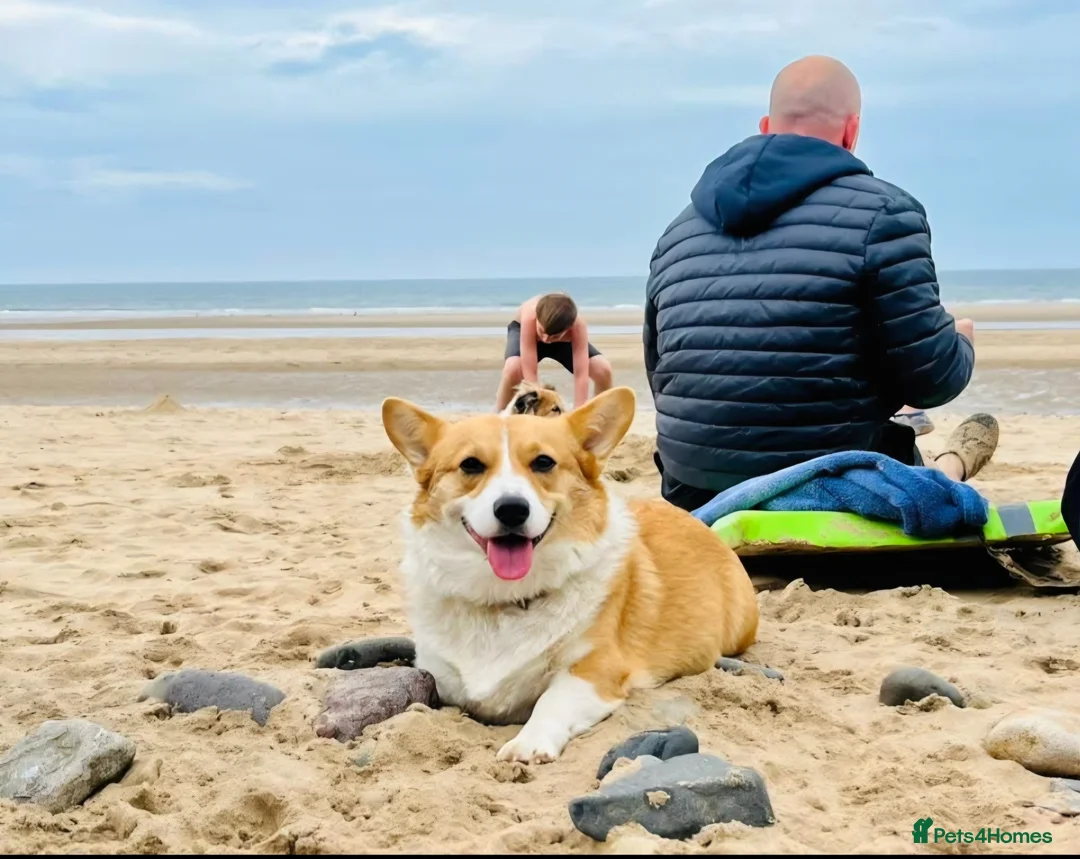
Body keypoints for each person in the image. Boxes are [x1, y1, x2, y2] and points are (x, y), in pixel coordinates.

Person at [643, 55, 998, 511]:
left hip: (694, 488)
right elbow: (931, 382)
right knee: (921, 480)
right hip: (831, 483)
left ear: (767, 125)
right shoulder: (885, 213)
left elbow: (661, 373)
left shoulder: (677, 231)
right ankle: (953, 464)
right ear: (851, 132)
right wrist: (959, 344)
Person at [495, 293, 613, 412]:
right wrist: (535, 410)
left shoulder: (577, 325)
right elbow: (530, 372)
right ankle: (499, 416)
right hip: (528, 335)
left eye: (553, 337)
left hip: (562, 340)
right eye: (542, 332)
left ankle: (600, 416)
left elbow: (581, 373)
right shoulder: (530, 315)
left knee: (602, 368)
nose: (546, 340)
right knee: (513, 367)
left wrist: (579, 412)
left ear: (569, 328)